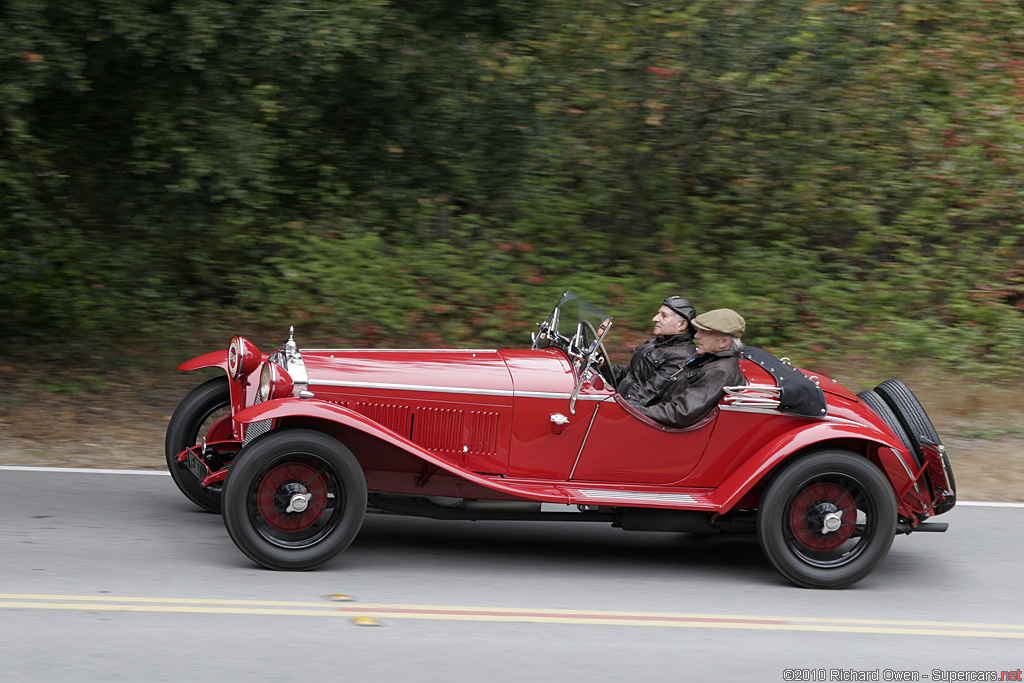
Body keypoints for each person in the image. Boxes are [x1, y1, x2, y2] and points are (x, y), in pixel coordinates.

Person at [632, 308, 746, 429]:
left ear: (723, 342)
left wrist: (632, 410)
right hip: (654, 413)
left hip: (665, 432)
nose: (697, 335)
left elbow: (680, 413)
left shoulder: (719, 371)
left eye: (705, 332)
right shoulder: (707, 359)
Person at [612, 296, 698, 407]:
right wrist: (601, 364)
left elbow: (650, 393)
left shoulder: (681, 357)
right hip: (620, 400)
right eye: (658, 314)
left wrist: (616, 409)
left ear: (682, 324)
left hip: (635, 413)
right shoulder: (654, 344)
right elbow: (629, 375)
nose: (655, 318)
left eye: (664, 316)